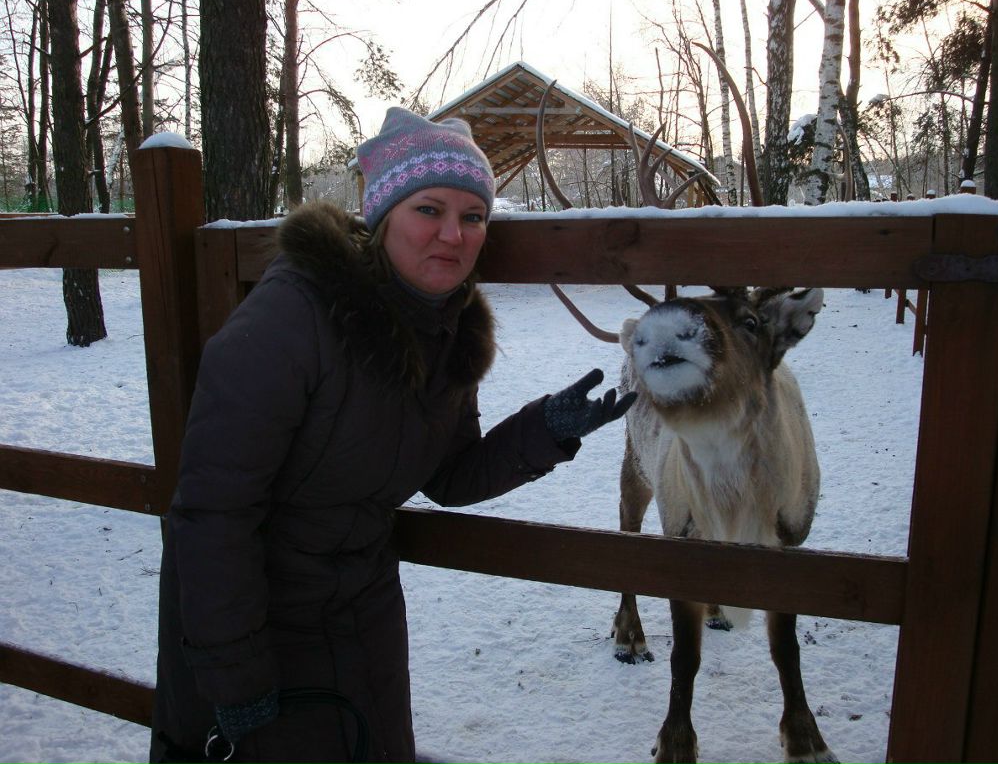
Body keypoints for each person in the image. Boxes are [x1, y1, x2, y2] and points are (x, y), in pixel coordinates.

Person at [150, 107, 635, 764]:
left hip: (366, 614)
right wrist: (234, 679)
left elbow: (450, 474)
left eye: (473, 216)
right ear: (383, 216)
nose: (453, 235)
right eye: (428, 210)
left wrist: (543, 432)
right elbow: (211, 516)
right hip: (258, 622)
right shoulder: (292, 315)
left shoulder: (449, 332)